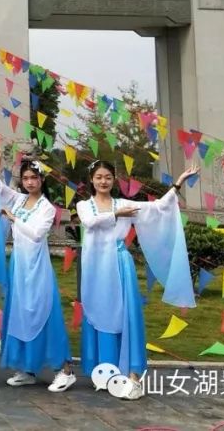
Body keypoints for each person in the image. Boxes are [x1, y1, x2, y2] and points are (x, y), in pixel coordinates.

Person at [77, 159, 199, 400]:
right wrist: (116, 214)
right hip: (94, 268)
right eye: (99, 177)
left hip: (120, 265)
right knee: (97, 312)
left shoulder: (124, 203)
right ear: (91, 179)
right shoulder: (85, 205)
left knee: (125, 315)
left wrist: (178, 184)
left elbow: (159, 208)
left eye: (108, 177)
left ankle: (131, 374)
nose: (103, 181)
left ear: (113, 180)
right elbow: (89, 222)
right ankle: (105, 371)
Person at [0, 136, 74, 392]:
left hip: (38, 268)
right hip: (19, 266)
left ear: (41, 180)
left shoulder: (47, 208)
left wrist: (13, 218)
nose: (29, 182)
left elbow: (36, 234)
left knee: (45, 314)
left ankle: (64, 369)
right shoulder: (19, 199)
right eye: (25, 179)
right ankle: (27, 368)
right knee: (21, 314)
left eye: (34, 178)